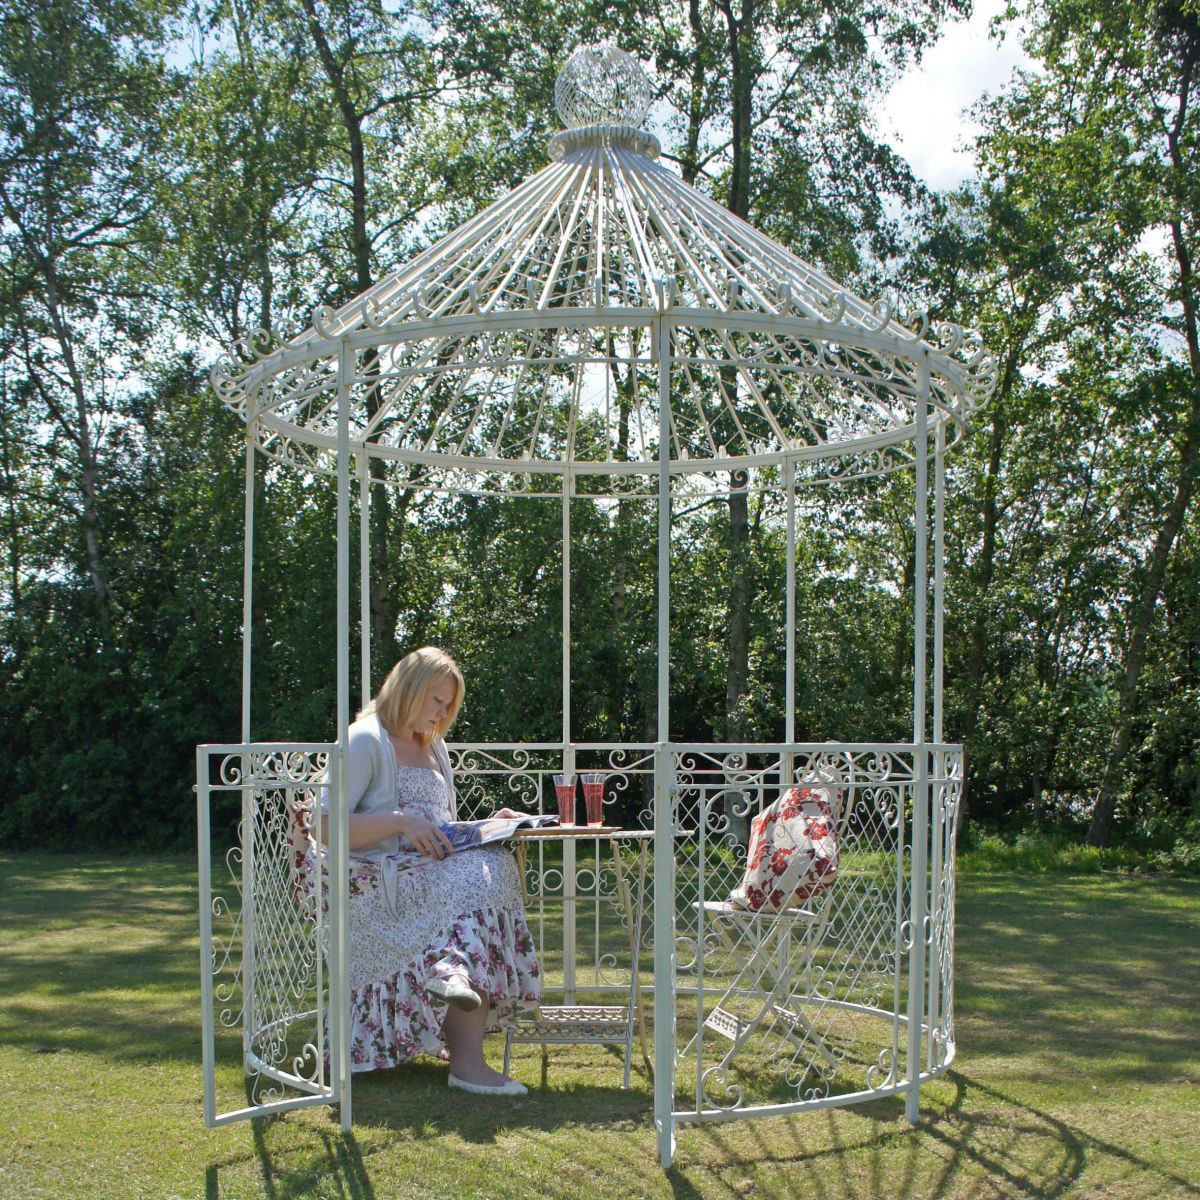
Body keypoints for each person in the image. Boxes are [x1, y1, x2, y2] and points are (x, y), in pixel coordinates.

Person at [319, 646, 540, 1095]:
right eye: (437, 701)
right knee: (481, 878)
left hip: (428, 870)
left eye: (448, 705)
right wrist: (398, 821)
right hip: (378, 881)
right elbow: (325, 825)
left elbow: (437, 826)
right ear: (409, 689)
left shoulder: (433, 746)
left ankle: (452, 979)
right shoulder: (365, 739)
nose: (442, 714)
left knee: (493, 864)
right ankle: (465, 1050)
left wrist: (490, 825)